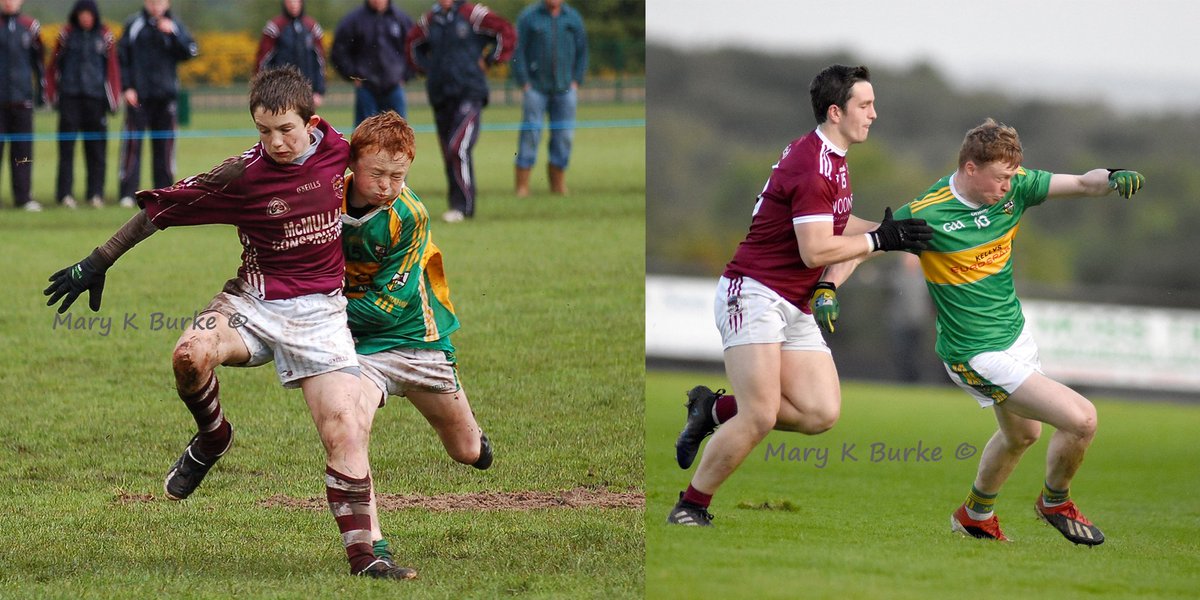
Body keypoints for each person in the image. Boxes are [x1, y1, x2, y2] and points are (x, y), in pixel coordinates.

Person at [43, 66, 416, 580]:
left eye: (285, 129)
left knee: (345, 428)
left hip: (322, 313)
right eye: (263, 131)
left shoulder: (337, 150)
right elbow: (163, 209)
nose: (275, 142)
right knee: (188, 355)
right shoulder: (243, 174)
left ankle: (367, 557)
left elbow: (380, 159)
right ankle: (214, 436)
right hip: (254, 303)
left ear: (311, 121)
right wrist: (98, 260)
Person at [666, 65, 933, 527]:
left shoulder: (832, 157)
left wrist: (885, 231)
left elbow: (832, 226)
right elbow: (815, 251)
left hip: (792, 302)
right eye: (864, 105)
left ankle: (712, 408)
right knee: (760, 417)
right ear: (836, 112)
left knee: (820, 412)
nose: (874, 113)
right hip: (752, 294)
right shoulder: (813, 164)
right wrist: (879, 241)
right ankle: (691, 507)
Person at [891, 119, 1144, 545]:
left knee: (1023, 434)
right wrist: (825, 285)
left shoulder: (1018, 186)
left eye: (1013, 176)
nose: (1010, 185)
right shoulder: (926, 211)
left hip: (1014, 337)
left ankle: (975, 515)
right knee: (1082, 419)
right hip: (973, 352)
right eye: (1001, 177)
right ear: (971, 168)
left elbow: (1085, 183)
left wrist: (1113, 176)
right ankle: (1055, 502)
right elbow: (866, 243)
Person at [338, 110, 493, 563]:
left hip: (415, 338)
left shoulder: (410, 215)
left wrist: (320, 313)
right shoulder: (328, 198)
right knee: (351, 429)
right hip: (361, 346)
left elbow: (388, 305)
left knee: (465, 451)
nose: (386, 184)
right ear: (352, 163)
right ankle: (373, 544)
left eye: (397, 175)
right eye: (376, 173)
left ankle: (476, 440)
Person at [406, 0, 516, 222]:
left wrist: (491, 59)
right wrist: (428, 69)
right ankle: (457, 206)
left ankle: (464, 207)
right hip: (440, 95)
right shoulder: (429, 20)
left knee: (458, 147)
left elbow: (506, 31)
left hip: (469, 92)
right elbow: (411, 45)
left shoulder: (473, 14)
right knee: (449, 152)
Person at [116, 0, 198, 208]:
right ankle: (127, 193)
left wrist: (173, 34)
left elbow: (190, 52)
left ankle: (164, 192)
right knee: (132, 145)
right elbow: (122, 58)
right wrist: (127, 87)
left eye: (159, 2)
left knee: (165, 147)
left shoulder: (175, 25)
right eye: (152, 1)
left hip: (166, 97)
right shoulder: (134, 25)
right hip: (139, 97)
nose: (155, 5)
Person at [46, 0, 121, 209]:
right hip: (69, 98)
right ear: (76, 15)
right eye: (82, 14)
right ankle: (64, 194)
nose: (85, 18)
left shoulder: (105, 36)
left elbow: (112, 70)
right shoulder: (66, 35)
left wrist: (113, 100)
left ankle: (95, 193)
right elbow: (53, 67)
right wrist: (52, 95)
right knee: (66, 149)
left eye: (89, 14)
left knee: (96, 150)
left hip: (96, 99)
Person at [511, 0, 587, 197]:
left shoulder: (572, 18)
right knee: (530, 135)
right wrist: (525, 82)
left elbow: (582, 51)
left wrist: (576, 80)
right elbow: (517, 50)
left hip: (565, 88)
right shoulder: (529, 17)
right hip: (535, 88)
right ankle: (522, 186)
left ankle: (558, 184)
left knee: (564, 137)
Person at [331, 0, 414, 125]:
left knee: (399, 135)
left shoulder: (401, 20)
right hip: (366, 89)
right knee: (365, 138)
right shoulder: (354, 21)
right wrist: (352, 74)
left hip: (394, 88)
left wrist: (405, 76)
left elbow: (413, 49)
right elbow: (338, 51)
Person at [0, 0, 44, 212]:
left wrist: (41, 93)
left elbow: (39, 63)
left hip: (22, 100)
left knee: (22, 153)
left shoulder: (30, 26)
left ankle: (23, 197)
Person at [256, 0, 327, 108]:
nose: (293, 4)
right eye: (289, 1)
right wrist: (264, 90)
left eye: (296, 1)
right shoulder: (274, 27)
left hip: (306, 91)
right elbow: (263, 61)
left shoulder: (312, 27)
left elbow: (319, 61)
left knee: (304, 123)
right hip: (279, 93)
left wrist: (319, 91)